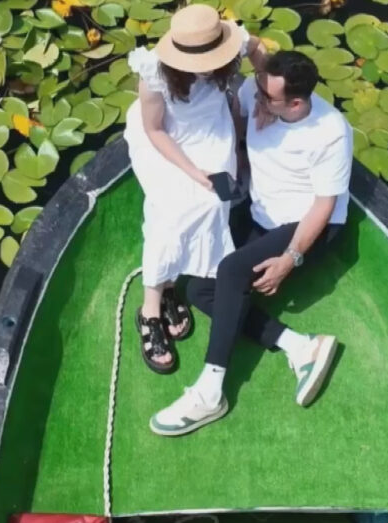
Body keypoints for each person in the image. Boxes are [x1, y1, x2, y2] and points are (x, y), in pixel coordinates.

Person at [150, 50, 353, 436]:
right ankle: (298, 345)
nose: (254, 96)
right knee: (198, 289)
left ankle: (210, 391)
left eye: (267, 97)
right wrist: (245, 125)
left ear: (296, 104)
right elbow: (239, 128)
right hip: (262, 212)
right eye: (258, 87)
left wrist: (290, 259)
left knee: (231, 270)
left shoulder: (330, 133)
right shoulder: (255, 92)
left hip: (306, 224)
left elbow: (324, 207)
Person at [123, 5, 266, 374]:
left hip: (212, 130)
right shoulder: (154, 74)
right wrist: (193, 172)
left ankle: (173, 282)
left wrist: (266, 93)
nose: (207, 67)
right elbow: (155, 130)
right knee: (170, 215)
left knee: (213, 206)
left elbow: (258, 48)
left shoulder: (232, 42)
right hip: (168, 139)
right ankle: (150, 307)